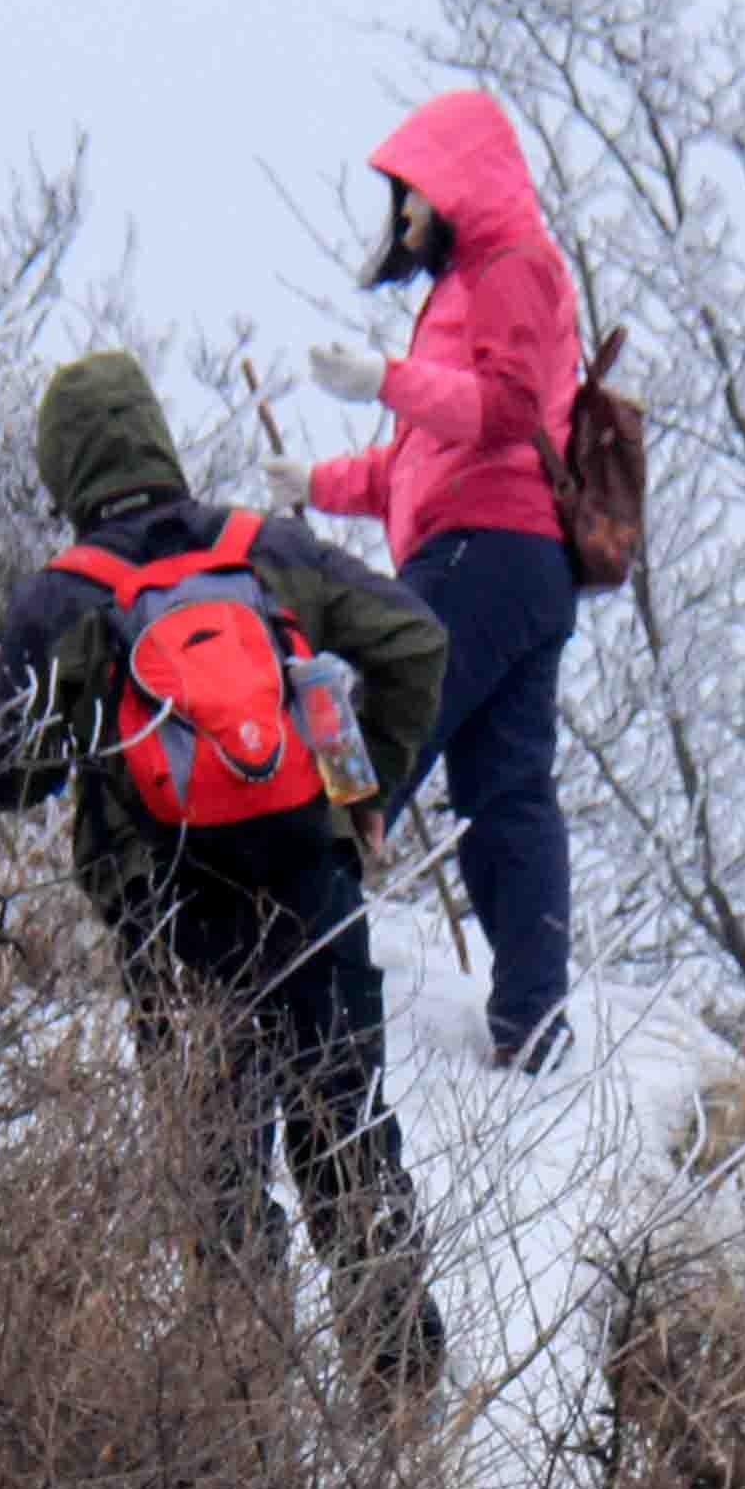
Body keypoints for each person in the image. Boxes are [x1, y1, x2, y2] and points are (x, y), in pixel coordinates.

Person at [0, 351, 449, 1398]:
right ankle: (404, 1390)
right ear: (158, 442)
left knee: (219, 1167)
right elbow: (415, 639)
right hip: (307, 876)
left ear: (65, 472)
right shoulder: (265, 549)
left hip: (168, 908)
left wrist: (84, 741)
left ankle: (242, 1420)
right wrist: (365, 791)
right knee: (346, 1125)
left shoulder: (57, 600)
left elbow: (0, 771)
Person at [272, 89, 583, 1079]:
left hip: (482, 555)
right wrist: (313, 484)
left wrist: (386, 381)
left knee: (364, 743)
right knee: (506, 789)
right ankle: (531, 1021)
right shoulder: (469, 289)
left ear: (453, 185)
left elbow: (500, 408)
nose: (401, 219)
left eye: (408, 196)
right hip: (517, 559)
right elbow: (419, 463)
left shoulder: (512, 267)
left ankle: (291, 945)